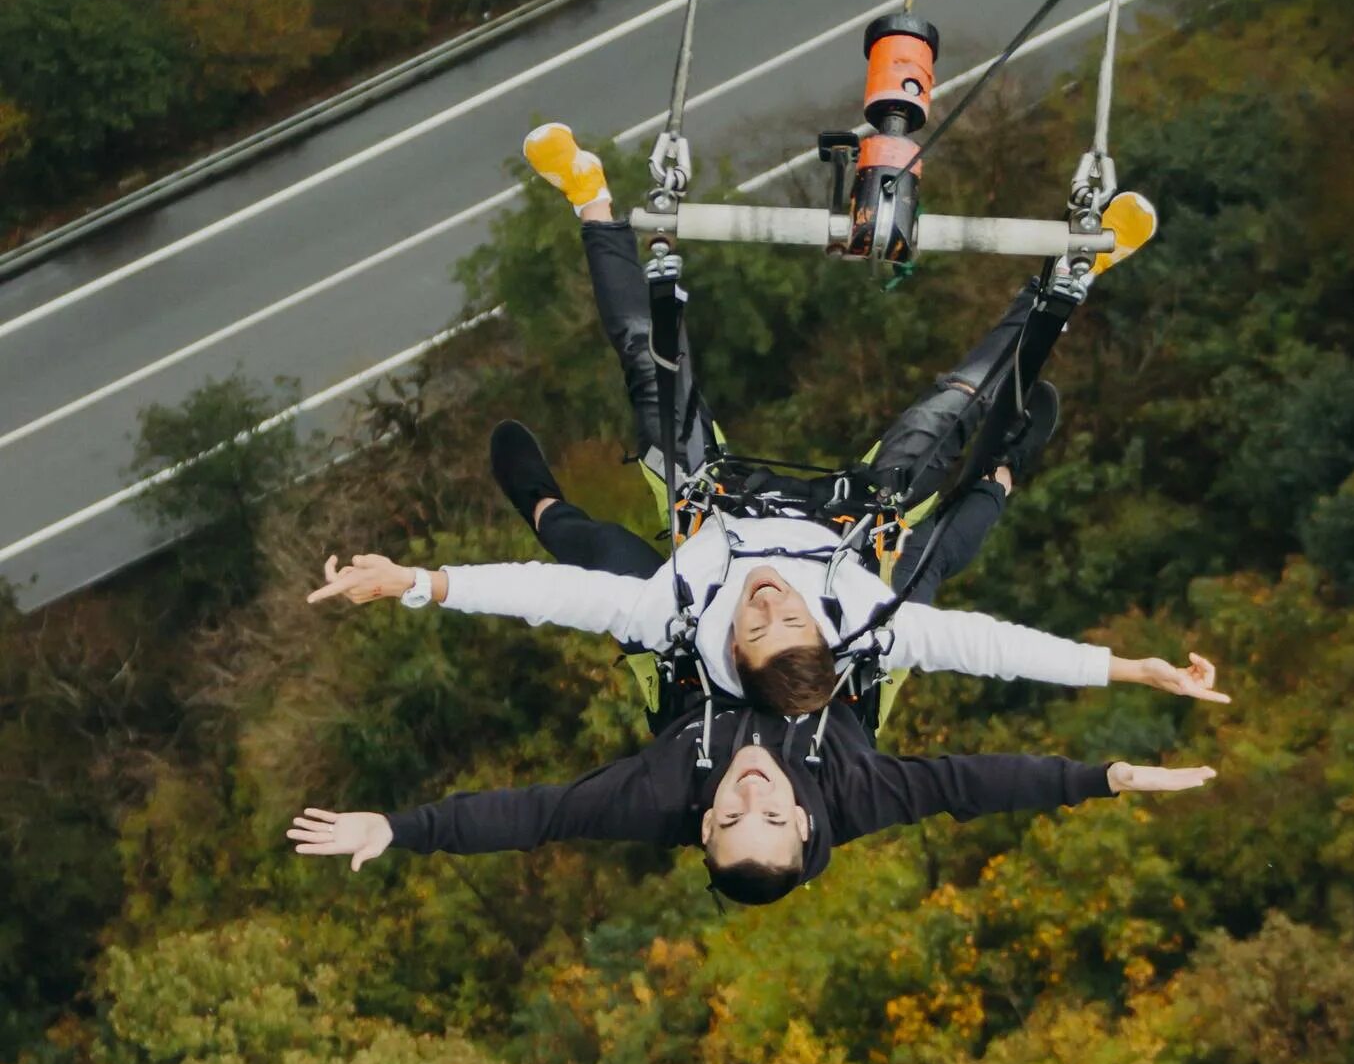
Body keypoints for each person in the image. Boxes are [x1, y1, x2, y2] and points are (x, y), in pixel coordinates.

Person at [312, 126, 1229, 723]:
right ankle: (1072, 280)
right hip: (841, 525)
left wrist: (418, 581)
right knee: (953, 412)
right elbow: (999, 648)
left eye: (755, 625)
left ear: (730, 650)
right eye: (787, 616)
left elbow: (549, 598)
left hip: (713, 517)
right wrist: (1139, 671)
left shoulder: (678, 618)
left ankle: (593, 202)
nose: (767, 602)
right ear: (829, 636)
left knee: (648, 370)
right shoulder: (868, 627)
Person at [288, 694, 1218, 907]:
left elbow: (533, 816)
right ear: (806, 823)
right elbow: (969, 785)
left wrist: (397, 828)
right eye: (770, 816)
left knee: (592, 554)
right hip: (819, 638)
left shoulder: (654, 797)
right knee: (928, 560)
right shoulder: (854, 795)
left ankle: (545, 502)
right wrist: (1109, 779)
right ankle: (998, 473)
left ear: (702, 826)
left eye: (732, 818)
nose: (752, 792)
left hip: (702, 637)